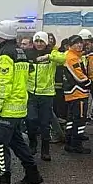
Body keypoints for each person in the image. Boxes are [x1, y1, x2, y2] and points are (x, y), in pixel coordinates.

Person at [0, 20, 43, 184]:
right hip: (18, 109)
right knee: (17, 143)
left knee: (0, 147)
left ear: (0, 35)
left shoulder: (3, 56)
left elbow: (2, 87)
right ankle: (32, 173)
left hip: (5, 111)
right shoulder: (21, 53)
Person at [26, 31, 66, 161]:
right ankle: (32, 144)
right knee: (31, 120)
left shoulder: (52, 53)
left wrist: (48, 57)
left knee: (45, 124)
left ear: (46, 42)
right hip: (31, 93)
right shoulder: (28, 54)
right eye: (36, 41)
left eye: (41, 41)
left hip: (47, 94)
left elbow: (63, 58)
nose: (38, 44)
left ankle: (45, 150)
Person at [62, 35, 92, 154]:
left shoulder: (75, 56)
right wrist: (90, 82)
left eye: (80, 42)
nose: (79, 45)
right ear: (70, 45)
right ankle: (76, 144)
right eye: (76, 43)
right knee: (79, 119)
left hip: (73, 92)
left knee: (71, 119)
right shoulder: (72, 57)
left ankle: (69, 141)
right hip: (77, 92)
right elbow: (79, 76)